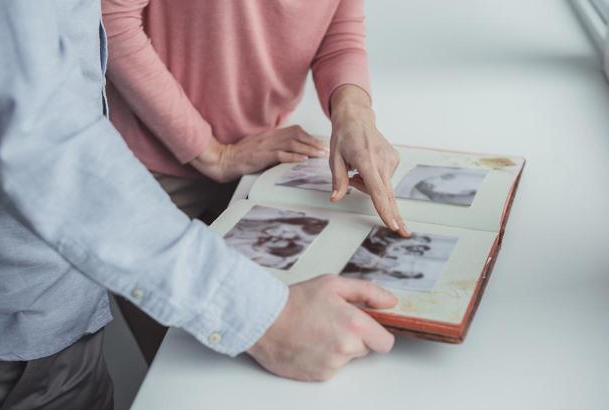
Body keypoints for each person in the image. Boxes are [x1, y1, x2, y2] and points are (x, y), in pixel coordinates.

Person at [0, 1, 402, 409]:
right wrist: (265, 320)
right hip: (35, 302)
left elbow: (339, 23)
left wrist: (353, 107)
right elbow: (44, 141)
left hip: (62, 298)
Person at [101, 0, 410, 361]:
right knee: (190, 367)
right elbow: (110, 16)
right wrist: (213, 153)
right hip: (149, 172)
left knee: (276, 349)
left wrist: (354, 111)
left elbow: (338, 31)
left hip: (261, 164)